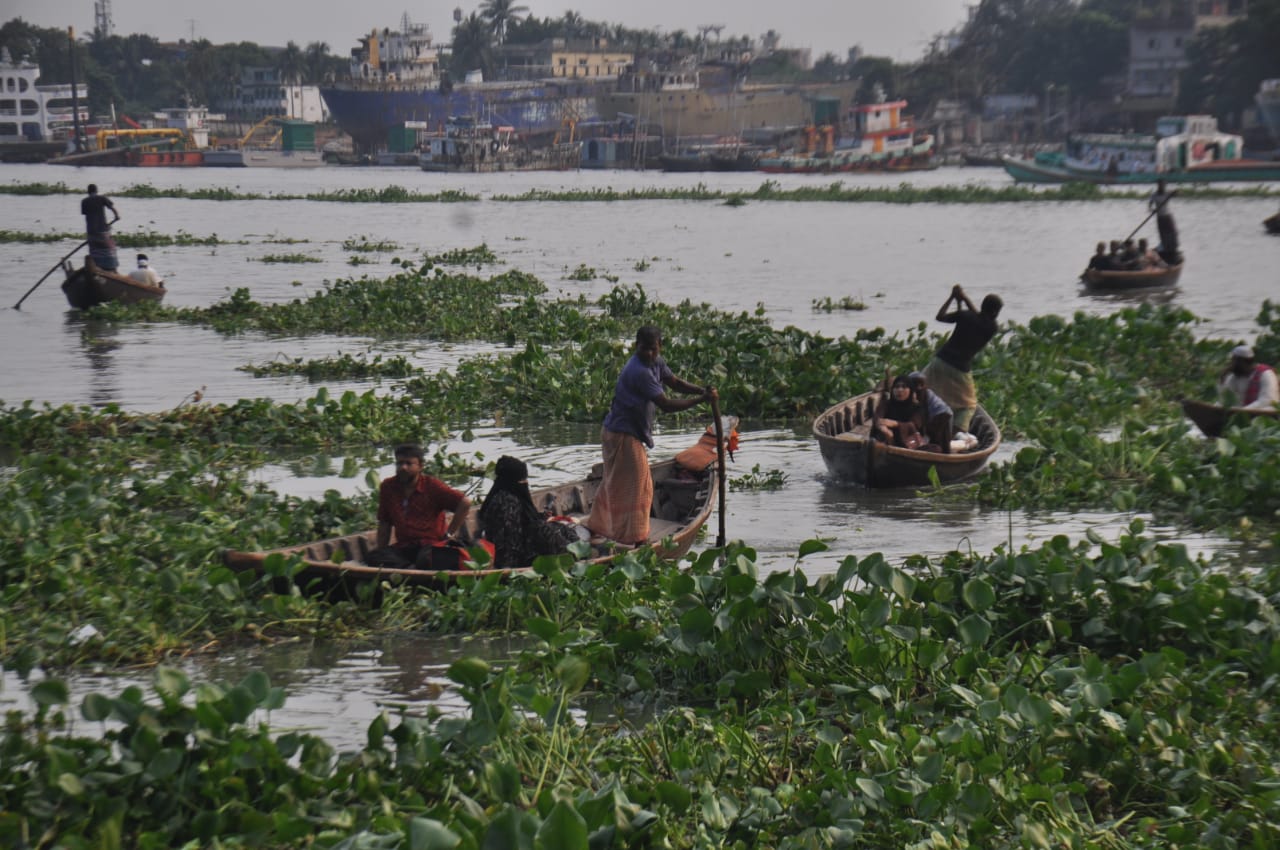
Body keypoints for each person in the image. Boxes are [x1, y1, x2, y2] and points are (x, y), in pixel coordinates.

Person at [585, 325, 716, 546]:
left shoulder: (656, 362)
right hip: (621, 434)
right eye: (644, 349)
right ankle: (636, 538)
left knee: (615, 481)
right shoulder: (639, 371)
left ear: (659, 347)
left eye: (653, 349)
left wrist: (701, 390)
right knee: (641, 486)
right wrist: (701, 400)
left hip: (624, 431)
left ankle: (599, 526)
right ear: (636, 346)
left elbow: (675, 383)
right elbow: (666, 405)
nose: (649, 354)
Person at [365, 443, 472, 569]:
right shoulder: (388, 487)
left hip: (431, 545)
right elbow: (384, 522)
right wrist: (382, 551)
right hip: (404, 546)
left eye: (409, 464)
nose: (403, 468)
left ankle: (410, 568)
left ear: (420, 466)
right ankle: (410, 569)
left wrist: (448, 535)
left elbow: (465, 503)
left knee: (428, 559)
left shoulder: (432, 486)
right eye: (399, 463)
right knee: (373, 557)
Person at [922, 284, 1002, 433]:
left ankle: (918, 421)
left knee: (919, 387)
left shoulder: (965, 316)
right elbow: (978, 317)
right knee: (969, 405)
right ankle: (958, 433)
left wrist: (953, 297)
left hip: (939, 361)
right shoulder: (992, 327)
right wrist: (963, 299)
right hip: (960, 369)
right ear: (996, 312)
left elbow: (940, 316)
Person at [477, 456, 577, 568]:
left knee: (560, 528)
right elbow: (508, 544)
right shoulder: (507, 503)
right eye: (523, 479)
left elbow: (522, 522)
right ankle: (574, 557)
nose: (525, 483)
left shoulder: (505, 493)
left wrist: (539, 517)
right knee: (544, 530)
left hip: (523, 544)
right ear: (514, 481)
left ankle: (576, 551)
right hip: (519, 557)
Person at [1218, 345, 1278, 410]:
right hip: (1243, 411)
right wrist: (1222, 378)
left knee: (1268, 408)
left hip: (1262, 411)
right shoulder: (1235, 376)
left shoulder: (1266, 374)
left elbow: (1267, 400)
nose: (1231, 364)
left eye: (1233, 361)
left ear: (1241, 361)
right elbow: (1226, 398)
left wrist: (1243, 411)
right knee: (1218, 405)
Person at [874, 375, 925, 449]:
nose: (900, 390)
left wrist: (895, 424)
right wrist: (884, 429)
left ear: (910, 390)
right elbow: (877, 417)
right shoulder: (886, 404)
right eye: (897, 387)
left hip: (910, 443)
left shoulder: (917, 408)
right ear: (892, 389)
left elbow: (914, 425)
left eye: (904, 387)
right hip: (886, 440)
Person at [909, 371, 954, 453]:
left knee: (940, 445)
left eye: (921, 385)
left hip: (941, 418)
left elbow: (925, 414)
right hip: (930, 421)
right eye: (915, 384)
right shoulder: (910, 394)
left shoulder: (926, 396)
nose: (919, 388)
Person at [81, 184, 120, 272]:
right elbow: (112, 208)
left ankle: (96, 268)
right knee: (110, 249)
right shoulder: (102, 198)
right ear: (96, 191)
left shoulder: (84, 201)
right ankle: (112, 269)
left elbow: (85, 214)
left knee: (94, 250)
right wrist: (116, 216)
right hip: (102, 230)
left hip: (91, 232)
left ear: (88, 192)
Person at [1149, 178, 1179, 262]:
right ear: (1158, 185)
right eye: (1160, 184)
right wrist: (1152, 210)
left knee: (1172, 233)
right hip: (1160, 217)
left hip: (1167, 216)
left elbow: (1178, 194)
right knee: (1163, 234)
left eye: (1163, 185)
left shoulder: (1167, 193)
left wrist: (1175, 193)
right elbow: (1150, 205)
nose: (1162, 186)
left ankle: (1173, 249)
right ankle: (1165, 250)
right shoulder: (1154, 195)